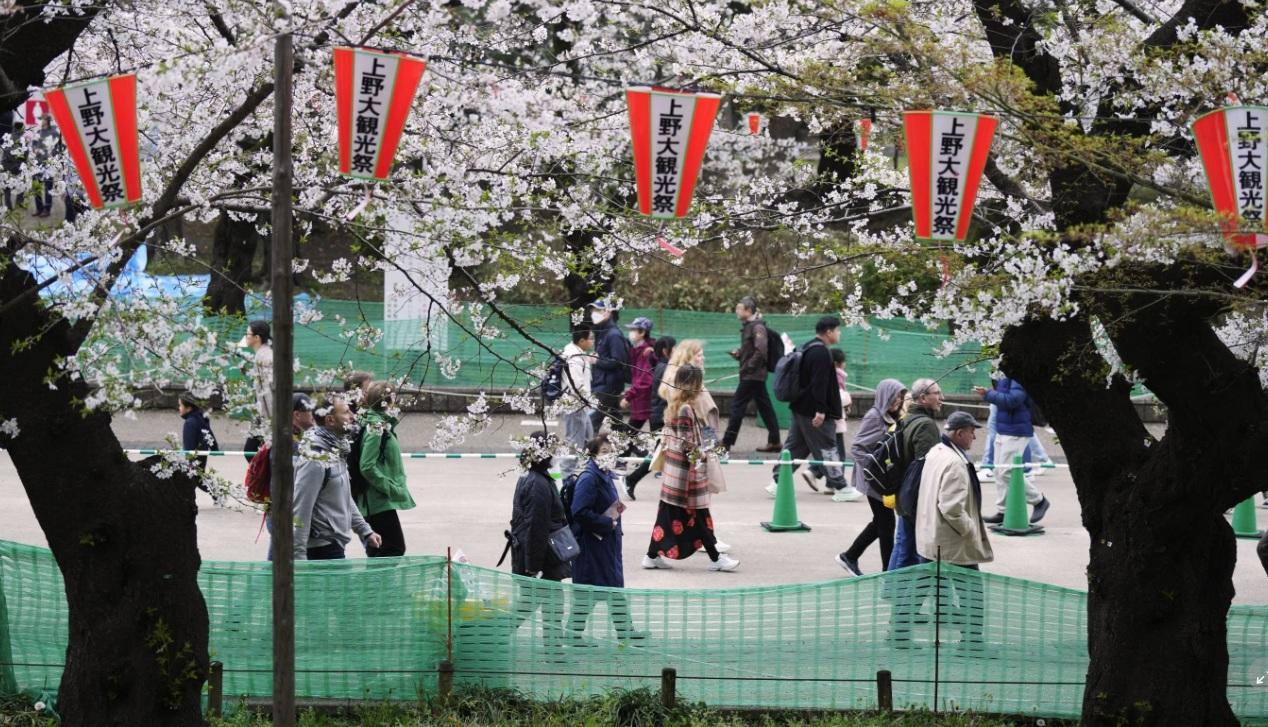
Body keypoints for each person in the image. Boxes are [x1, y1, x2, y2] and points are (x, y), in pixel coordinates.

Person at [641, 365, 741, 572]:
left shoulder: (674, 404)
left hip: (674, 474)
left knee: (670, 517)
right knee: (699, 516)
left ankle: (651, 556)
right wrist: (705, 456)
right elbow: (688, 444)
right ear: (693, 384)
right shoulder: (686, 408)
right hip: (687, 476)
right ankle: (716, 559)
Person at [912, 411, 992, 644]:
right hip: (952, 540)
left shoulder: (936, 452)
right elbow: (952, 508)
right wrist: (970, 531)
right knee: (972, 592)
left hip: (930, 535)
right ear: (959, 433)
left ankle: (898, 632)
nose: (974, 437)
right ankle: (972, 642)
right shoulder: (955, 463)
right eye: (972, 432)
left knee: (919, 585)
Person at [567, 434, 648, 642]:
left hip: (606, 544)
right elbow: (579, 511)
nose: (608, 456)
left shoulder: (605, 474)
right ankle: (573, 634)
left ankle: (624, 631)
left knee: (612, 588)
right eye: (603, 452)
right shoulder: (589, 478)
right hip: (593, 545)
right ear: (593, 454)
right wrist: (606, 524)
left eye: (611, 452)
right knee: (591, 592)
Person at [292, 394, 382, 560]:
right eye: (346, 412)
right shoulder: (315, 458)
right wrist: (298, 557)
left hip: (334, 543)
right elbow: (301, 508)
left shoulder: (336, 449)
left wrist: (364, 530)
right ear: (330, 420)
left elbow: (343, 496)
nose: (352, 416)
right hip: (321, 548)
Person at [766, 316, 848, 497]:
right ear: (829, 332)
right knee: (827, 446)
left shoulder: (808, 346)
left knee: (795, 447)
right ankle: (841, 487)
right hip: (813, 411)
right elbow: (819, 383)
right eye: (837, 330)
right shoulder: (821, 353)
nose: (839, 333)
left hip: (801, 407)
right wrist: (820, 410)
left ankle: (776, 482)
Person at [836, 379, 907, 575]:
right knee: (886, 525)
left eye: (901, 396)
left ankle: (849, 556)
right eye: (895, 396)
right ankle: (888, 572)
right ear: (885, 395)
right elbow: (857, 448)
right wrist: (874, 465)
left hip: (883, 480)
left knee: (881, 522)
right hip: (874, 480)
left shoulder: (892, 417)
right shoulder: (874, 417)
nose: (898, 400)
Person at [507, 431, 570, 647]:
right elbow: (537, 527)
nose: (557, 455)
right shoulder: (539, 484)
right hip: (543, 558)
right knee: (547, 604)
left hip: (537, 555)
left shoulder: (533, 477)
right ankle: (553, 652)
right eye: (554, 450)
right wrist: (533, 566)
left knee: (532, 603)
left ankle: (492, 637)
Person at [886, 378, 946, 571]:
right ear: (922, 398)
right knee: (911, 550)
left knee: (903, 544)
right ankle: (901, 598)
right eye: (936, 393)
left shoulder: (906, 419)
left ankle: (892, 591)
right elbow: (926, 467)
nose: (941, 398)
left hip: (904, 492)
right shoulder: (926, 425)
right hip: (916, 496)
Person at [974, 377, 1050, 524]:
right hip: (1004, 429)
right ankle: (1003, 511)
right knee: (998, 471)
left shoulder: (1017, 377)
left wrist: (989, 394)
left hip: (1016, 431)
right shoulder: (1004, 377)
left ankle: (1039, 500)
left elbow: (1013, 400)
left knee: (1007, 471)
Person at [354, 382, 415, 557]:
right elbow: (367, 465)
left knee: (378, 549)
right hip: (377, 501)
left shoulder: (377, 423)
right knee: (393, 548)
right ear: (388, 401)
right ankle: (376, 584)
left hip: (376, 500)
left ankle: (375, 584)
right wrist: (390, 488)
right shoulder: (376, 426)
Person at [721, 297, 781, 453]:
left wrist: (747, 367)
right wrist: (740, 353)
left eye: (738, 308)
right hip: (755, 376)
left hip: (751, 376)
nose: (736, 311)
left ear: (748, 310)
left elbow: (761, 352)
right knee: (765, 408)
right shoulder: (750, 326)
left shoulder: (757, 327)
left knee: (736, 407)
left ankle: (726, 443)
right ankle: (775, 441)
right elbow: (753, 349)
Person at [265, 393, 317, 561]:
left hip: (285, 512)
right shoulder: (288, 443)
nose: (313, 414)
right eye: (310, 410)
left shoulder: (297, 438)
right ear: (296, 414)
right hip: (284, 513)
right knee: (279, 563)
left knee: (277, 560)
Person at [624, 336, 676, 500]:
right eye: (674, 348)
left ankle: (632, 480)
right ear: (666, 351)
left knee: (664, 454)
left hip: (659, 415)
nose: (677, 351)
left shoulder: (661, 366)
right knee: (660, 454)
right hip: (661, 417)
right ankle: (630, 480)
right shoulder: (665, 368)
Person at [826, 348, 863, 501]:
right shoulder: (837, 376)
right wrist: (848, 399)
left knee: (829, 450)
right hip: (835, 420)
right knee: (838, 453)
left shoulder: (830, 374)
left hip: (831, 419)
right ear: (838, 363)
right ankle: (837, 484)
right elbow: (840, 397)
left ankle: (824, 478)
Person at [558, 326, 595, 479]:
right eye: (591, 338)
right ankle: (567, 476)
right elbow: (576, 385)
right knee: (574, 443)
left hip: (580, 405)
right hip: (576, 406)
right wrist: (590, 400)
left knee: (588, 439)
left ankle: (586, 473)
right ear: (582, 340)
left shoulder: (576, 353)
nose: (593, 341)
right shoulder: (573, 357)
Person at [588, 299, 629, 432]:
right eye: (593, 310)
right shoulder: (603, 332)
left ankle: (586, 451)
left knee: (591, 421)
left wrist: (597, 361)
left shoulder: (613, 335)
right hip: (604, 383)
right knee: (616, 421)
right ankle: (631, 448)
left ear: (608, 312)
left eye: (598, 310)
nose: (594, 313)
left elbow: (618, 361)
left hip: (608, 386)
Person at [239, 320, 273, 461]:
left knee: (251, 451)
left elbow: (270, 389)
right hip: (262, 413)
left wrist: (272, 420)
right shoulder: (262, 354)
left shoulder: (265, 357)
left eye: (248, 334)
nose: (246, 337)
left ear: (257, 338)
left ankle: (265, 480)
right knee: (253, 450)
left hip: (266, 415)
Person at [620, 317, 656, 431]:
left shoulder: (646, 352)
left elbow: (645, 379)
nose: (630, 333)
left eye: (633, 330)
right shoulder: (637, 349)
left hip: (645, 400)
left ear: (642, 332)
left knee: (629, 436)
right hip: (641, 400)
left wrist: (629, 396)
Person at [178, 392, 219, 475]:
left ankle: (218, 488)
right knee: (200, 479)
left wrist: (188, 459)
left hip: (194, 459)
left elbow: (189, 445)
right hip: (202, 455)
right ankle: (217, 488)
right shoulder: (200, 417)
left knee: (197, 479)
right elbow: (208, 432)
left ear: (189, 408)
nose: (179, 408)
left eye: (180, 405)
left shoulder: (190, 423)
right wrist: (214, 448)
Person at [31, 115, 56, 218]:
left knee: (48, 188)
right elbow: (33, 143)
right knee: (36, 187)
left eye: (44, 119)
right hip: (37, 164)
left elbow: (57, 146)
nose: (42, 121)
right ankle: (39, 208)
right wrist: (34, 148)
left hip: (48, 165)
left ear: (48, 121)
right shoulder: (38, 132)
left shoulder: (53, 132)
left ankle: (47, 209)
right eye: (41, 119)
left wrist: (51, 154)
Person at [2, 122, 25, 212]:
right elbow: (22, 153)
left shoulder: (10, 136)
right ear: (21, 129)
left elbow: (5, 152)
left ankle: (9, 206)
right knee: (20, 184)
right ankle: (18, 203)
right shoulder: (19, 139)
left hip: (8, 165)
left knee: (8, 187)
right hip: (15, 165)